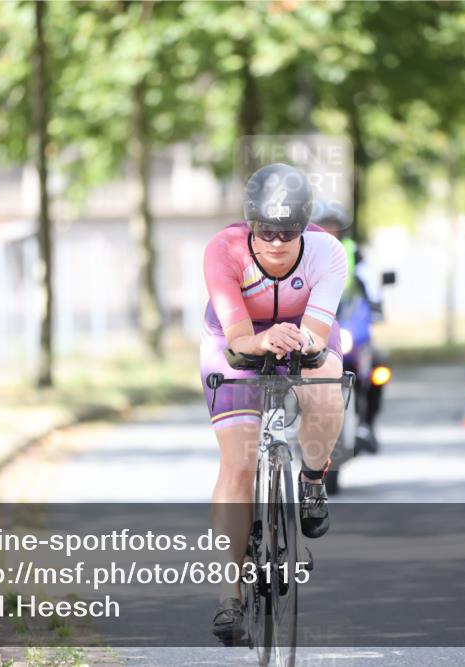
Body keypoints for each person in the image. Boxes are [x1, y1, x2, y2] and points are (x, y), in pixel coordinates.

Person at [201, 163, 348, 641]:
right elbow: (240, 338)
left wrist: (297, 340)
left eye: (288, 231)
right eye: (265, 230)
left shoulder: (327, 252)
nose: (277, 242)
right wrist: (262, 342)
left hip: (305, 332)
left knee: (327, 378)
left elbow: (318, 336)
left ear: (305, 226)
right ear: (250, 224)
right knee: (238, 463)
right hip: (233, 339)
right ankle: (229, 595)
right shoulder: (223, 250)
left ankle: (311, 479)